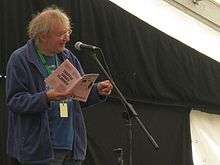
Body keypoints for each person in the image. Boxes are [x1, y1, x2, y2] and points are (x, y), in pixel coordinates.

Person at [6, 7, 113, 165]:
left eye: (68, 32)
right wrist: (46, 98)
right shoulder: (20, 59)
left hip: (71, 147)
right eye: (61, 34)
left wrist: (97, 90)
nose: (67, 38)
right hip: (39, 150)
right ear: (43, 35)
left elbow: (78, 95)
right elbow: (15, 101)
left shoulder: (68, 57)